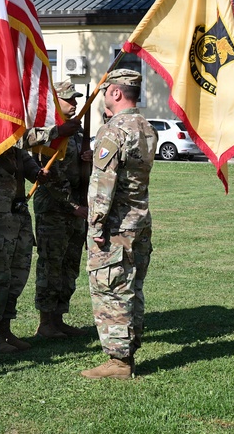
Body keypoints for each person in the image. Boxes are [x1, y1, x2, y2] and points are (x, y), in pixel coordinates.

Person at [82, 69, 156, 379]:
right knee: (132, 288)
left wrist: (96, 227)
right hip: (139, 220)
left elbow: (103, 185)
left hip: (115, 226)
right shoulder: (146, 127)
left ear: (115, 93)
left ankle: (118, 361)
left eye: (104, 90)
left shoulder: (113, 130)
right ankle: (128, 351)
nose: (101, 96)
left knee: (110, 289)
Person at [32, 79, 90, 339]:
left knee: (70, 265)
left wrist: (87, 160)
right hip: (54, 209)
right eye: (69, 99)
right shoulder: (50, 131)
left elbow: (80, 171)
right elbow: (51, 175)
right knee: (51, 265)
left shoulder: (76, 132)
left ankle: (59, 317)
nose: (75, 103)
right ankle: (46, 321)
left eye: (76, 98)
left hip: (76, 209)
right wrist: (73, 205)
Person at [0, 144, 42, 353]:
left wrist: (39, 173)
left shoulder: (16, 147)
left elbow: (30, 168)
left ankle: (4, 328)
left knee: (18, 273)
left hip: (18, 213)